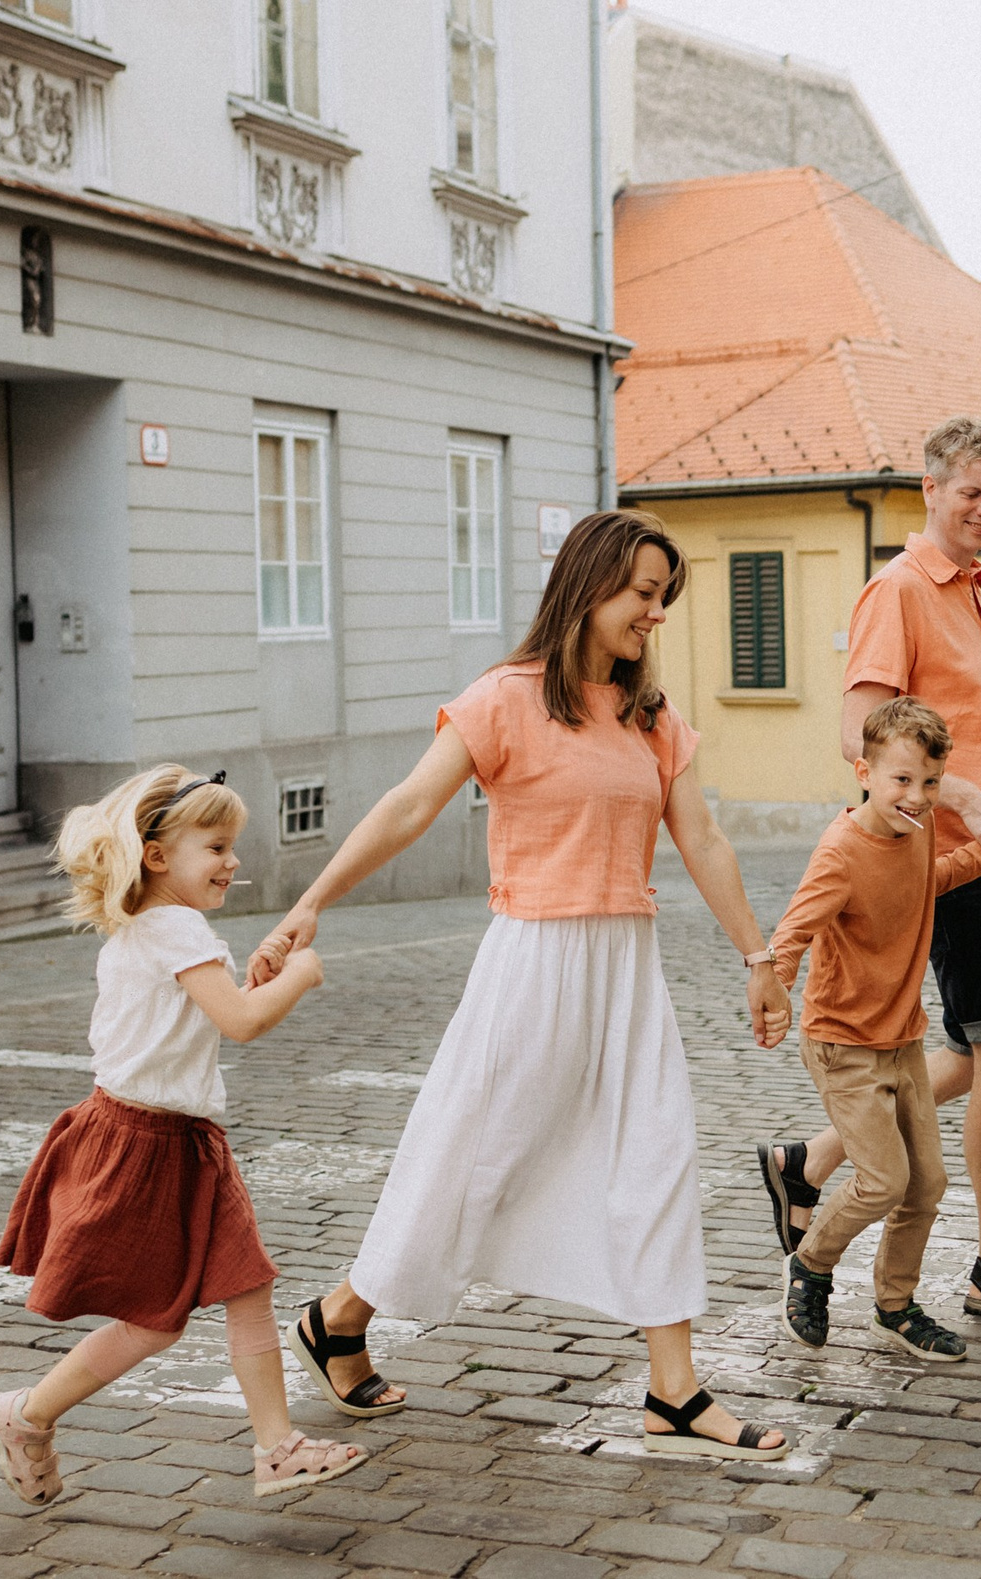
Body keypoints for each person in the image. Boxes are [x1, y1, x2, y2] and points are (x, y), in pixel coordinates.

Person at [245, 509, 796, 1460]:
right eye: (643, 593)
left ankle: (675, 1387)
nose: (655, 615)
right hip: (533, 959)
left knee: (656, 1152)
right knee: (473, 1153)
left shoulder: (651, 718)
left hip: (627, 963)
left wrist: (760, 957)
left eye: (664, 598)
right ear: (589, 585)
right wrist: (311, 901)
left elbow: (698, 838)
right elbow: (410, 804)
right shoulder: (503, 699)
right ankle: (339, 1316)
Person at [757, 416, 981, 1331]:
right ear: (931, 491)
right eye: (970, 492)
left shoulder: (972, 594)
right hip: (933, 858)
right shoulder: (901, 590)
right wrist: (971, 806)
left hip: (971, 861)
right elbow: (860, 735)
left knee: (968, 1048)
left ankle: (810, 1160)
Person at [0, 764, 366, 1508]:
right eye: (216, 847)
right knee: (154, 1321)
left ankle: (277, 1449)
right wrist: (303, 974)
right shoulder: (178, 928)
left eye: (233, 847)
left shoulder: (147, 929)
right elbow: (243, 1022)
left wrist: (256, 976)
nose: (233, 862)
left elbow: (213, 1010)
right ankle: (25, 1414)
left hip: (169, 1137)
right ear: (158, 856)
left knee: (244, 1286)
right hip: (148, 1144)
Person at [768, 696, 981, 1361]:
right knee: (883, 1180)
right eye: (901, 780)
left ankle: (895, 1306)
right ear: (864, 770)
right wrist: (773, 992)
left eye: (929, 782)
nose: (918, 797)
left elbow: (929, 881)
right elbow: (794, 932)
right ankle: (811, 1264)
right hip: (844, 1046)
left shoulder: (917, 833)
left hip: (903, 1041)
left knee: (926, 1184)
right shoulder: (842, 850)